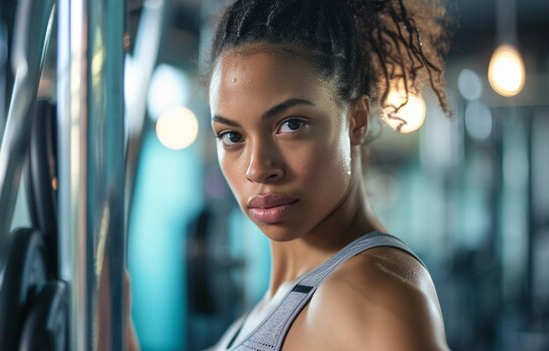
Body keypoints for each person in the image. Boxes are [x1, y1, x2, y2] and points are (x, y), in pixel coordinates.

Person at [128, 0, 451, 349]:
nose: (257, 168)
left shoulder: (370, 295)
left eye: (291, 124)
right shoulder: (276, 304)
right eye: (232, 136)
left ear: (356, 120)